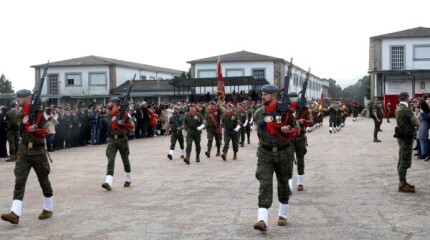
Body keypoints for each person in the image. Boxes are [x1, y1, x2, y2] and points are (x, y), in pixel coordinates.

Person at [1, 89, 53, 224]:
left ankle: (48, 208)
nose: (17, 99)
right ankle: (15, 213)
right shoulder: (20, 114)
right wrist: (26, 126)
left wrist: (37, 129)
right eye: (17, 97)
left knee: (43, 179)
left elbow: (49, 129)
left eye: (20, 97)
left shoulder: (41, 114)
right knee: (19, 180)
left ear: (28, 98)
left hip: (38, 152)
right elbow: (19, 129)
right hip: (24, 151)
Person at [252, 85, 300, 231]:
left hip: (284, 153)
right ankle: (262, 219)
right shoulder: (259, 113)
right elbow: (259, 133)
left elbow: (297, 129)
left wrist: (288, 130)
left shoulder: (286, 112)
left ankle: (283, 214)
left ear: (274, 95)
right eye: (262, 94)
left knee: (284, 183)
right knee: (264, 183)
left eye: (265, 94)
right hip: (265, 154)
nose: (262, 96)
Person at [101, 97, 135, 191]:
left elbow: (132, 126)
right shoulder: (110, 114)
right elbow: (107, 120)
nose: (108, 104)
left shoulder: (125, 114)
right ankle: (108, 182)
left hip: (122, 139)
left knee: (125, 160)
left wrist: (123, 124)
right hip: (112, 140)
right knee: (110, 160)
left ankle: (128, 179)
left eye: (110, 102)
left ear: (114, 103)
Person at [394, 92, 420, 193]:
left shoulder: (398, 108)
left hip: (401, 136)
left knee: (401, 159)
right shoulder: (405, 109)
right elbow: (417, 122)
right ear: (407, 98)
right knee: (405, 161)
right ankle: (402, 184)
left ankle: (403, 181)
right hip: (406, 137)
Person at [293, 99, 313, 191]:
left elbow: (311, 121)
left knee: (300, 160)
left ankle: (300, 182)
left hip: (300, 137)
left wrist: (304, 121)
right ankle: (288, 184)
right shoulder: (286, 109)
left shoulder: (305, 110)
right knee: (287, 161)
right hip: (288, 137)